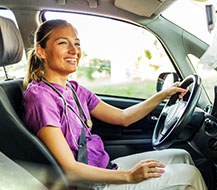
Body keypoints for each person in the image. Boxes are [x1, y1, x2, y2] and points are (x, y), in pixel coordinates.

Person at [23, 19, 207, 190]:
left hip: (106, 168)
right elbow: (70, 170)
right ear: (41, 51)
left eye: (77, 43)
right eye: (63, 43)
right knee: (190, 175)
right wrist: (128, 176)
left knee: (182, 155)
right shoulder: (40, 98)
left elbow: (123, 117)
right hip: (91, 184)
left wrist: (163, 95)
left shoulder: (75, 89)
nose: (74, 50)